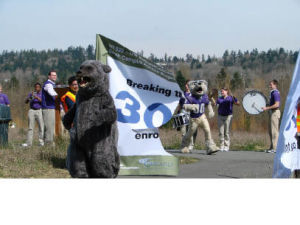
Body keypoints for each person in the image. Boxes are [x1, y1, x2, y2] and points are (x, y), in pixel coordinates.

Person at [177, 80, 198, 151]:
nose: (186, 86)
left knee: (190, 130)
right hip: (183, 112)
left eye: (188, 84)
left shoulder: (194, 94)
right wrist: (178, 111)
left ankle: (190, 145)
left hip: (191, 113)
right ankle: (184, 145)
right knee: (183, 130)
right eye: (186, 84)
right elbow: (180, 103)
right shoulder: (182, 93)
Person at [22, 83, 44, 147]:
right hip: (31, 110)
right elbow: (26, 102)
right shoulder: (31, 93)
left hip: (39, 110)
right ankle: (29, 143)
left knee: (41, 126)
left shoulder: (42, 94)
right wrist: (29, 97)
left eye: (38, 87)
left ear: (40, 88)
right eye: (36, 87)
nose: (37, 88)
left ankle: (41, 142)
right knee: (30, 127)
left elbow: (42, 102)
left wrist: (36, 97)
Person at [262, 79, 281, 153]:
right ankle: (272, 147)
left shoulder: (275, 93)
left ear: (275, 85)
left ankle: (275, 148)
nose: (269, 86)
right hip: (271, 112)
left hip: (275, 113)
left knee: (274, 131)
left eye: (271, 84)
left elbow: (277, 104)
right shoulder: (272, 93)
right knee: (270, 131)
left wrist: (267, 108)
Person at [42, 70, 58, 146]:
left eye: (55, 75)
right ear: (49, 76)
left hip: (52, 108)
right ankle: (48, 145)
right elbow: (51, 92)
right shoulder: (48, 84)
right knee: (49, 127)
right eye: (53, 75)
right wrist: (60, 95)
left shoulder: (53, 84)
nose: (54, 76)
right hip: (48, 108)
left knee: (52, 126)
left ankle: (49, 143)